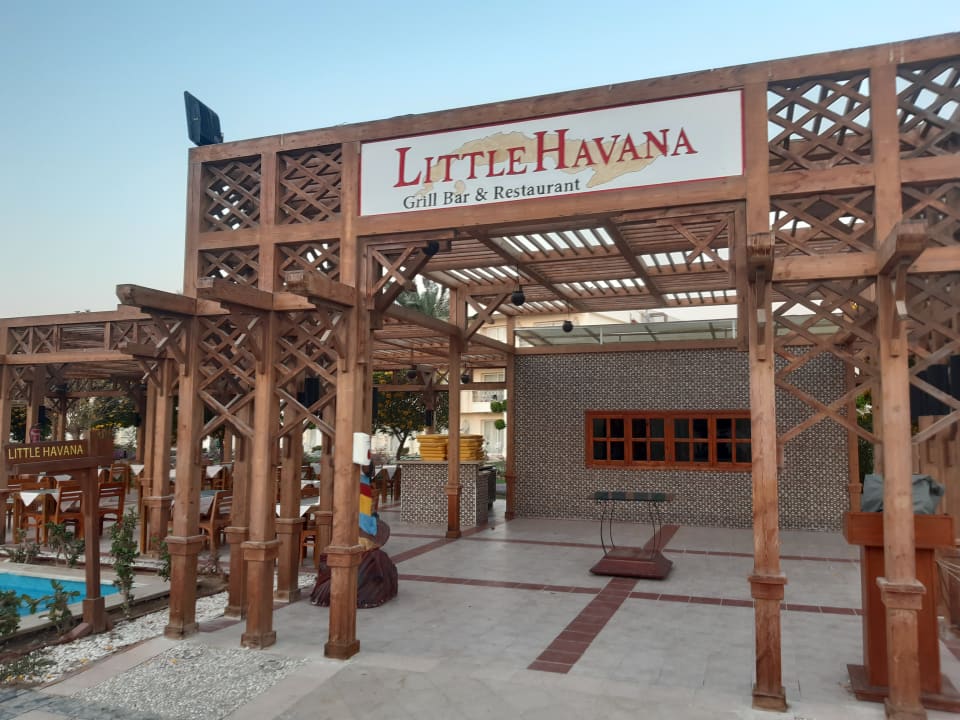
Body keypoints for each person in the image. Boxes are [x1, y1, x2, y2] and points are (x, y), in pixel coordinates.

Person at [310, 463, 398, 608]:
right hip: (355, 504)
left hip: (359, 503)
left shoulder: (360, 479)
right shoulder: (353, 479)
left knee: (361, 521)